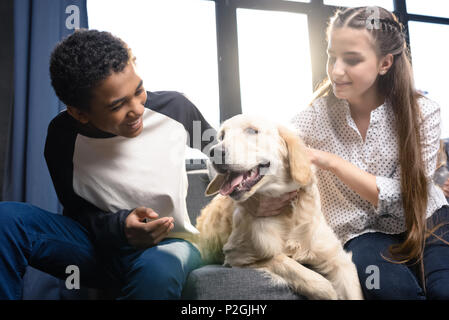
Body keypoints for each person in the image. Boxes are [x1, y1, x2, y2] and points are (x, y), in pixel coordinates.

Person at [0, 29, 295, 300]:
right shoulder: (62, 136)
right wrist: (119, 228)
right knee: (6, 219)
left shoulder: (176, 109)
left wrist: (256, 197)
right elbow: (76, 211)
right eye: (117, 105)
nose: (137, 110)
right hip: (96, 247)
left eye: (138, 91)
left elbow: (226, 156)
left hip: (170, 244)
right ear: (80, 113)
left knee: (159, 267)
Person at [291, 7, 449, 299]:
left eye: (351, 59)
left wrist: (332, 162)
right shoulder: (316, 116)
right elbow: (270, 145)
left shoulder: (424, 112)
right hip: (360, 235)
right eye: (331, 56)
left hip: (427, 224)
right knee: (391, 290)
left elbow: (405, 196)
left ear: (385, 63)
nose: (336, 70)